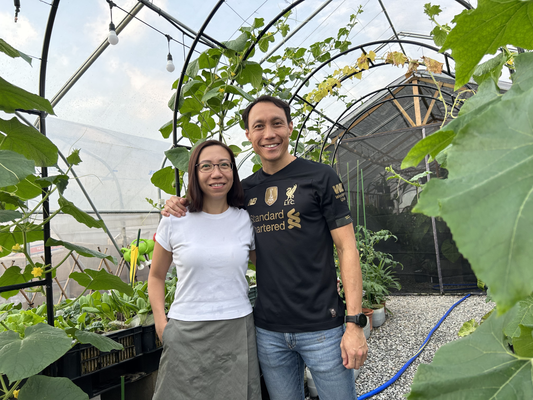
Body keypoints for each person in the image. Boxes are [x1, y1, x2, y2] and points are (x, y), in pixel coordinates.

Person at [163, 95, 368, 400]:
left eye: (277, 123)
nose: (269, 133)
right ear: (248, 135)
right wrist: (178, 203)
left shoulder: (320, 177)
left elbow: (347, 248)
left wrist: (353, 324)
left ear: (290, 127)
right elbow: (212, 212)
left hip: (323, 328)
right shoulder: (244, 191)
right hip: (268, 330)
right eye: (258, 126)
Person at [148, 140, 261, 400]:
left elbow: (268, 267)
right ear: (194, 173)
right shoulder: (175, 219)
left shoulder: (244, 219)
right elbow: (156, 276)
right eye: (206, 166)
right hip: (186, 329)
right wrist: (161, 323)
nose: (217, 173)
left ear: (233, 171)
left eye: (224, 165)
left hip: (236, 328)